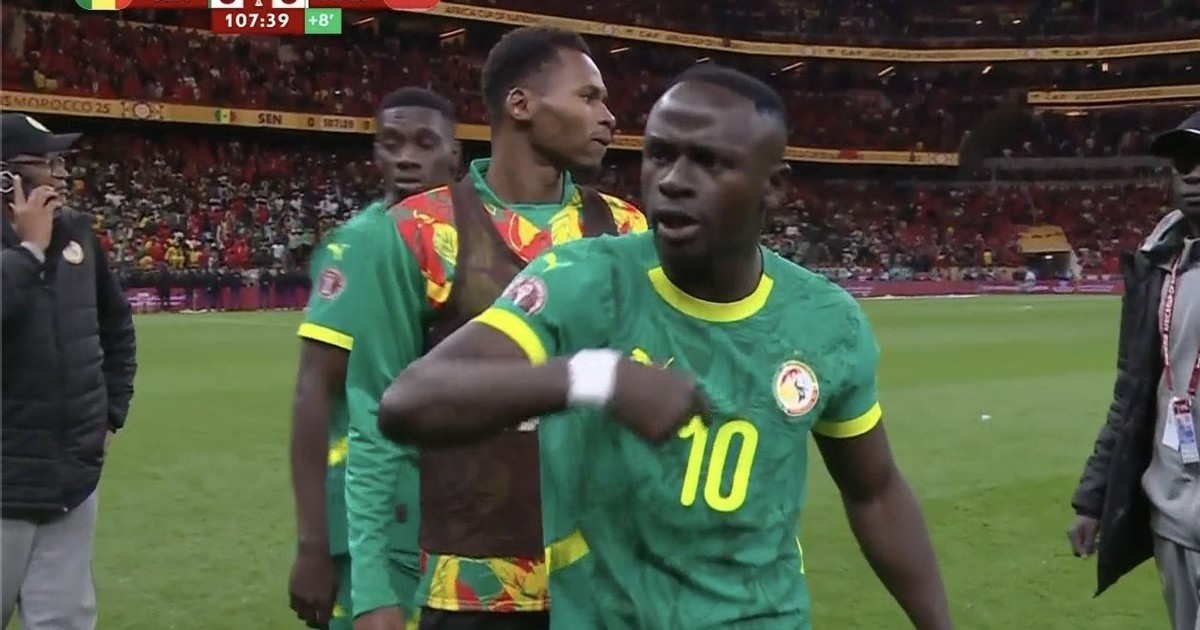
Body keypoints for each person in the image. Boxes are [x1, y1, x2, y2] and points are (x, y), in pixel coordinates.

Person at [376, 65, 951, 630]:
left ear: (773, 186)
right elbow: (410, 400)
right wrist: (595, 379)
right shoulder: (585, 281)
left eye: (709, 161)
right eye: (660, 154)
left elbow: (875, 493)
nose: (673, 179)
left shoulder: (826, 321)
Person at [344, 26, 646, 630]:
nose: (609, 116)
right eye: (588, 97)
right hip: (468, 587)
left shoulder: (627, 231)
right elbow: (373, 414)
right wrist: (373, 588)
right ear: (521, 104)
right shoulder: (416, 232)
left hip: (604, 581)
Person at [289, 88, 462, 630]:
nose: (407, 157)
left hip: (455, 514)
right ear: (376, 155)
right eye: (392, 143)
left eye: (425, 143)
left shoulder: (476, 242)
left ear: (454, 155)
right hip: (379, 518)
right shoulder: (362, 244)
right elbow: (314, 389)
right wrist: (312, 545)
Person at [1, 112, 138, 630]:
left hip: (71, 480)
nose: (61, 175)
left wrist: (111, 414)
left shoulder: (77, 231)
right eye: (47, 162)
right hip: (6, 484)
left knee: (63, 621)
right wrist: (29, 250)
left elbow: (117, 327)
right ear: (6, 177)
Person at [1069, 111, 1200, 630]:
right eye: (1183, 163)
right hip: (1172, 515)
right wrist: (1093, 499)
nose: (1194, 174)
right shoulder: (1156, 269)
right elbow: (1131, 393)